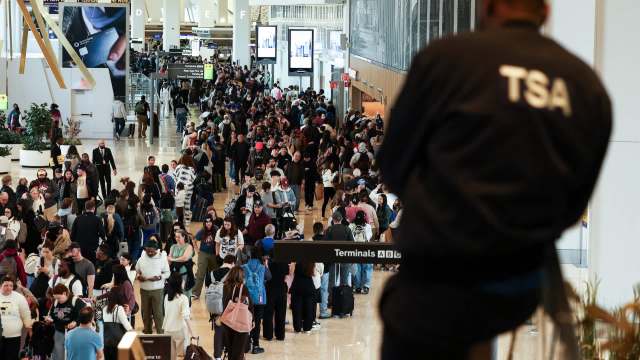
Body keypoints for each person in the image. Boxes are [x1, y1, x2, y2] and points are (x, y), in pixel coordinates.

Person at [376, 0, 612, 358]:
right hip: (517, 283)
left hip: (437, 276)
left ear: (486, 7)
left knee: (410, 319)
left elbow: (393, 165)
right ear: (546, 12)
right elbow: (575, 202)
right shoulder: (585, 86)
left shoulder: (446, 60)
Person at [135, 239, 170, 334]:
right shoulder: (141, 258)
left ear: (156, 249)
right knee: (145, 313)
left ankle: (160, 333)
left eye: (152, 251)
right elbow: (136, 270)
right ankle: (147, 332)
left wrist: (160, 277)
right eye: (147, 250)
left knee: (158, 313)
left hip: (157, 290)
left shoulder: (162, 258)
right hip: (144, 290)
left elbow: (168, 273)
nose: (149, 252)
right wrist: (138, 276)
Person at [242, 245, 270, 354]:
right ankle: (256, 345)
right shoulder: (262, 267)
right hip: (259, 298)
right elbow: (269, 277)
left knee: (247, 321)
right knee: (257, 322)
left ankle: (246, 344)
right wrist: (266, 265)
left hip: (247, 298)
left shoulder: (244, 266)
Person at [46, 283, 86, 360]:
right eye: (56, 298)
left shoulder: (76, 301)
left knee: (72, 354)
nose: (58, 300)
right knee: (58, 354)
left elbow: (84, 314)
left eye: (59, 298)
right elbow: (52, 314)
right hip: (59, 331)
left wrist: (76, 322)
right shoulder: (56, 302)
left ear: (65, 293)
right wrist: (50, 319)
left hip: (73, 332)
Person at [222, 266, 252, 360]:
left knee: (230, 350)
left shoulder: (225, 286)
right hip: (240, 323)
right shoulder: (243, 288)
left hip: (227, 321)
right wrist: (252, 319)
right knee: (238, 351)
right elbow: (249, 306)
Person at [0, 274, 32, 359]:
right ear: (1, 285)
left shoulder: (19, 298)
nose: (8, 287)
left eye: (11, 285)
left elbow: (26, 314)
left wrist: (30, 330)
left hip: (14, 336)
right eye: (6, 285)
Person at [163, 272, 193, 358]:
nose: (184, 282)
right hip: (179, 331)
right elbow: (186, 317)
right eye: (182, 281)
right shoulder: (184, 299)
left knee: (170, 355)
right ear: (179, 284)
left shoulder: (166, 297)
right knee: (181, 355)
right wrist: (192, 333)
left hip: (167, 329)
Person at [192, 215, 219, 300]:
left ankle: (214, 292)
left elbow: (220, 240)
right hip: (203, 253)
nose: (208, 224)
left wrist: (218, 253)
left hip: (214, 254)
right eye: (206, 222)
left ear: (212, 222)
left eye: (210, 221)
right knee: (200, 273)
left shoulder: (216, 229)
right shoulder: (202, 231)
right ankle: (196, 293)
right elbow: (194, 240)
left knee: (214, 273)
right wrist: (197, 251)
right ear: (205, 223)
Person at [101, 289, 132, 360]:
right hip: (117, 343)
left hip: (107, 343)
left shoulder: (104, 308)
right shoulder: (119, 309)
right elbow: (127, 326)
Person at [350, 211, 373, 294]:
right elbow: (350, 238)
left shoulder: (367, 226)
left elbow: (368, 238)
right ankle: (359, 286)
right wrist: (356, 231)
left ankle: (363, 285)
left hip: (363, 249)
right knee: (358, 268)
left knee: (365, 267)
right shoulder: (352, 226)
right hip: (358, 249)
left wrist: (363, 230)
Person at [168, 230, 195, 301]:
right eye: (176, 237)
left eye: (179, 237)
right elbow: (169, 260)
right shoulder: (173, 247)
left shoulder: (188, 246)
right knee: (175, 295)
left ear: (184, 237)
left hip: (185, 275)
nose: (177, 238)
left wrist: (173, 259)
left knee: (185, 295)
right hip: (175, 275)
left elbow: (184, 258)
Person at [174, 154, 196, 226]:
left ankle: (179, 218)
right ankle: (187, 220)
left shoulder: (178, 167)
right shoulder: (192, 169)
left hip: (179, 188)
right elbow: (193, 179)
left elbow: (175, 177)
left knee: (179, 203)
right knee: (187, 203)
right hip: (189, 188)